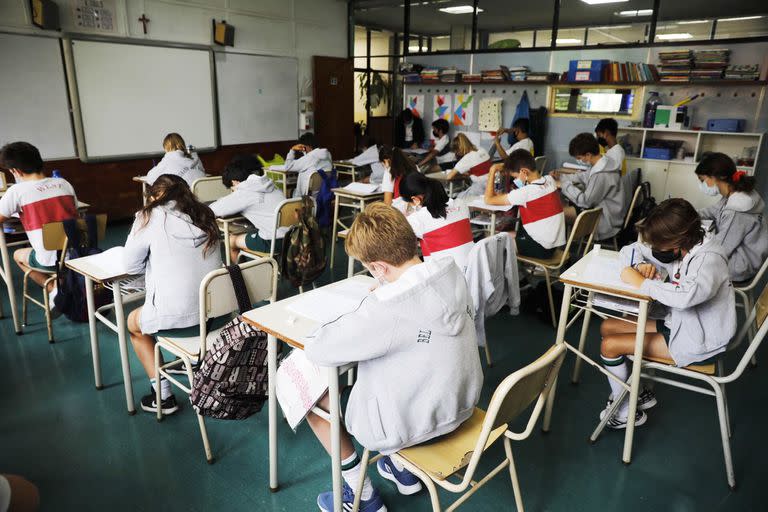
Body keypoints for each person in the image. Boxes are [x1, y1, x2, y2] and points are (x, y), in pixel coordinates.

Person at [304, 202, 483, 511]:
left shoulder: (387, 307)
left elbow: (319, 348)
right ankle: (404, 471)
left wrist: (377, 301)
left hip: (418, 424)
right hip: (463, 405)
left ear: (379, 268)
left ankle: (362, 496)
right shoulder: (452, 271)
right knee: (404, 363)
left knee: (312, 399)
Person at [600, 198, 735, 429]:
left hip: (700, 338)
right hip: (681, 322)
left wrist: (642, 282)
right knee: (607, 327)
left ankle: (624, 412)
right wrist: (640, 264)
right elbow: (631, 249)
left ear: (676, 241)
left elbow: (685, 296)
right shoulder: (689, 242)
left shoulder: (709, 259)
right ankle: (638, 393)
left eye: (658, 247)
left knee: (609, 346)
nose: (655, 251)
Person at [124, 174, 222, 414]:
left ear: (156, 196)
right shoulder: (205, 215)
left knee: (132, 325)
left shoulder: (149, 216)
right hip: (216, 319)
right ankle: (182, 363)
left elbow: (129, 266)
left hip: (180, 321)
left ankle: (163, 395)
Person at [0, 142, 78, 304]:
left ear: (16, 171)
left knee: (17, 255)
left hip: (50, 261)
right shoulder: (64, 184)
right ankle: (62, 283)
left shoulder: (16, 191)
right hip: (78, 255)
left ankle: (53, 289)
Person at [695, 152, 768, 282]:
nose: (702, 185)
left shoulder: (737, 210)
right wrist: (689, 214)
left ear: (717, 177)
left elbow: (720, 249)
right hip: (746, 256)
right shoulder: (735, 193)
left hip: (740, 266)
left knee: (690, 264)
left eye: (702, 180)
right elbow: (714, 211)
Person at [484, 149, 565, 259]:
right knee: (503, 235)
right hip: (553, 245)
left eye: (516, 177)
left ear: (524, 172)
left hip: (540, 248)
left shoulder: (525, 193)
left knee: (493, 243)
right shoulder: (549, 180)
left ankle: (507, 274)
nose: (515, 180)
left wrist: (492, 170)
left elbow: (488, 199)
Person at [209, 154, 287, 264]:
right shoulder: (270, 184)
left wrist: (230, 197)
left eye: (232, 188)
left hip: (274, 242)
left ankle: (243, 277)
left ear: (235, 182)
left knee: (231, 240)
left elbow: (213, 210)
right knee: (247, 234)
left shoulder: (244, 192)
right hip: (293, 237)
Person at [554, 132, 625, 241]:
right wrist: (561, 177)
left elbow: (585, 202)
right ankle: (563, 244)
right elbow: (583, 176)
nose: (579, 160)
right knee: (562, 206)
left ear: (588, 155)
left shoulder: (601, 174)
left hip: (605, 220)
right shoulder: (604, 162)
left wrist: (564, 185)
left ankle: (560, 249)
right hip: (602, 210)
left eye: (579, 157)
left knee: (555, 214)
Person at [399, 172, 474, 272]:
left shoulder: (417, 219)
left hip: (449, 277)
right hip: (473, 273)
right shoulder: (461, 204)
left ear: (415, 199)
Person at [284, 132, 333, 198]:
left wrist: (292, 150)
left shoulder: (309, 158)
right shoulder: (327, 154)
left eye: (302, 147)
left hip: (307, 195)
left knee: (288, 192)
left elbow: (287, 166)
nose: (301, 150)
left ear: (307, 146)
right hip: (324, 191)